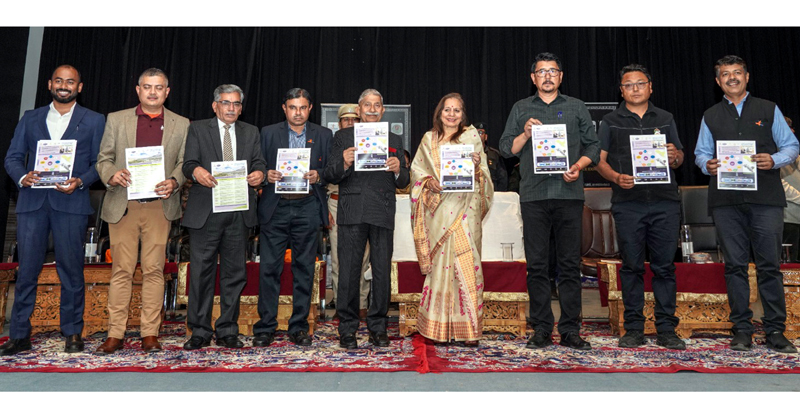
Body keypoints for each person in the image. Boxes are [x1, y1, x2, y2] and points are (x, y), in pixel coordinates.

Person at [694, 55, 798, 353]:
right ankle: (741, 330)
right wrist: (707, 165)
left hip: (765, 199)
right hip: (726, 201)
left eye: (737, 73)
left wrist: (775, 159)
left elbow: (792, 145)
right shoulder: (710, 115)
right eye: (725, 75)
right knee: (735, 267)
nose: (732, 78)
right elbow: (700, 153)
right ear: (718, 81)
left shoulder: (768, 109)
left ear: (747, 76)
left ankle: (776, 331)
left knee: (770, 266)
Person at [1, 65, 105, 356]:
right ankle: (19, 334)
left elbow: (100, 162)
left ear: (79, 87)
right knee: (27, 272)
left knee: (71, 271)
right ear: (50, 84)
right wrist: (23, 176)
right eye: (59, 80)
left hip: (71, 204)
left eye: (70, 82)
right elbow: (12, 158)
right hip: (32, 204)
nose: (64, 85)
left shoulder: (95, 121)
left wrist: (81, 181)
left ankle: (72, 332)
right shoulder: (30, 118)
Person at [499, 52, 599, 351]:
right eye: (541, 72)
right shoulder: (521, 108)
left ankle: (570, 329)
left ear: (561, 76)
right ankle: (541, 327)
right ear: (533, 78)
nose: (547, 76)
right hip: (534, 196)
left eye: (552, 71)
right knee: (538, 266)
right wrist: (525, 133)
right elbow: (506, 149)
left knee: (570, 266)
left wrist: (578, 166)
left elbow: (594, 147)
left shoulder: (576, 107)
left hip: (569, 195)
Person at [94, 68, 190, 355]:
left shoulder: (182, 124)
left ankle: (150, 332)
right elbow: (103, 159)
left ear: (167, 92)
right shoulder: (116, 119)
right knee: (121, 270)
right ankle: (115, 334)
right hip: (124, 205)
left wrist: (174, 181)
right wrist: (111, 174)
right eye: (147, 87)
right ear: (138, 90)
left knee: (154, 271)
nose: (152, 92)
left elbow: (185, 162)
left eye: (158, 87)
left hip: (160, 206)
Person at [595, 64, 686, 350]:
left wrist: (674, 156)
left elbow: (680, 157)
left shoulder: (666, 118)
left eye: (640, 83)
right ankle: (633, 328)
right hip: (628, 205)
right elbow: (599, 161)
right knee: (631, 267)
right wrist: (615, 178)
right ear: (621, 90)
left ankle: (667, 329)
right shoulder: (610, 121)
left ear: (650, 87)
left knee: (665, 268)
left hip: (665, 204)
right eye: (628, 85)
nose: (635, 89)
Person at [181, 84, 266, 350]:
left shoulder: (251, 132)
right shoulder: (197, 129)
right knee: (202, 274)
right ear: (215, 105)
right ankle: (199, 330)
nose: (231, 108)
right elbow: (188, 164)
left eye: (237, 104)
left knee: (234, 274)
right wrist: (197, 173)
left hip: (238, 212)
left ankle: (228, 330)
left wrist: (259, 175)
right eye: (226, 103)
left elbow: (259, 163)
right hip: (206, 211)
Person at [323, 88, 410, 349]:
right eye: (367, 105)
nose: (372, 109)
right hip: (352, 211)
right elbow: (330, 173)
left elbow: (406, 180)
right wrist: (345, 163)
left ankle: (378, 328)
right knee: (349, 272)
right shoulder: (342, 136)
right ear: (359, 110)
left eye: (377, 105)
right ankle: (347, 330)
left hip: (382, 210)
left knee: (382, 272)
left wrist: (398, 170)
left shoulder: (394, 138)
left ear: (383, 110)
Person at [410, 93, 493, 345]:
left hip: (466, 212)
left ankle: (469, 331)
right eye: (448, 109)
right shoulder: (429, 139)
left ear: (462, 114)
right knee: (440, 270)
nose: (452, 114)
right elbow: (417, 172)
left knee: (468, 267)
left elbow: (485, 177)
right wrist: (428, 183)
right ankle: (437, 329)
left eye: (457, 110)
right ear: (440, 112)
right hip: (438, 214)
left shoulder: (471, 137)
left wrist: (477, 167)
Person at [253, 88, 332, 347]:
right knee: (269, 269)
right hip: (275, 208)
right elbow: (257, 163)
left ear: (310, 109)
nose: (297, 112)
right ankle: (265, 327)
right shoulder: (267, 132)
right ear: (284, 108)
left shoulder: (323, 134)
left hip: (307, 206)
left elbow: (332, 169)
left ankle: (299, 326)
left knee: (304, 269)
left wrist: (318, 175)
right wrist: (267, 174)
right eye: (292, 107)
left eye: (303, 107)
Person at [326, 104, 370, 319]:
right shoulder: (332, 142)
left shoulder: (371, 141)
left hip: (362, 204)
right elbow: (324, 175)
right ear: (339, 123)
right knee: (338, 258)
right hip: (336, 203)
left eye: (355, 119)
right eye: (346, 119)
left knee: (362, 258)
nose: (351, 123)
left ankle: (361, 303)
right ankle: (341, 302)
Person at [781, 117, 800, 263]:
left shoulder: (796, 156)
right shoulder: (773, 156)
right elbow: (781, 186)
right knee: (791, 265)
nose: (792, 131)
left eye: (791, 128)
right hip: (788, 219)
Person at [475, 122, 508, 192]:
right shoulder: (468, 154)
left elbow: (502, 177)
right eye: (476, 133)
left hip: (492, 193)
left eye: (481, 133)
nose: (478, 135)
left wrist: (499, 194)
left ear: (486, 137)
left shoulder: (494, 154)